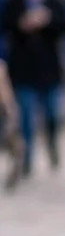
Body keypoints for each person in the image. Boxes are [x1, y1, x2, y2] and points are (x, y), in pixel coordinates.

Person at [1, 0, 65, 176]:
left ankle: (52, 143)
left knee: (51, 113)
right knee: (26, 115)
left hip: (48, 68)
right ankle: (27, 159)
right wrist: (22, 24)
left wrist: (47, 21)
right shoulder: (15, 0)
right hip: (23, 68)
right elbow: (6, 25)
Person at [0, 59, 23, 189]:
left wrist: (11, 110)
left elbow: (6, 91)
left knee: (13, 143)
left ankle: (15, 171)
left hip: (3, 110)